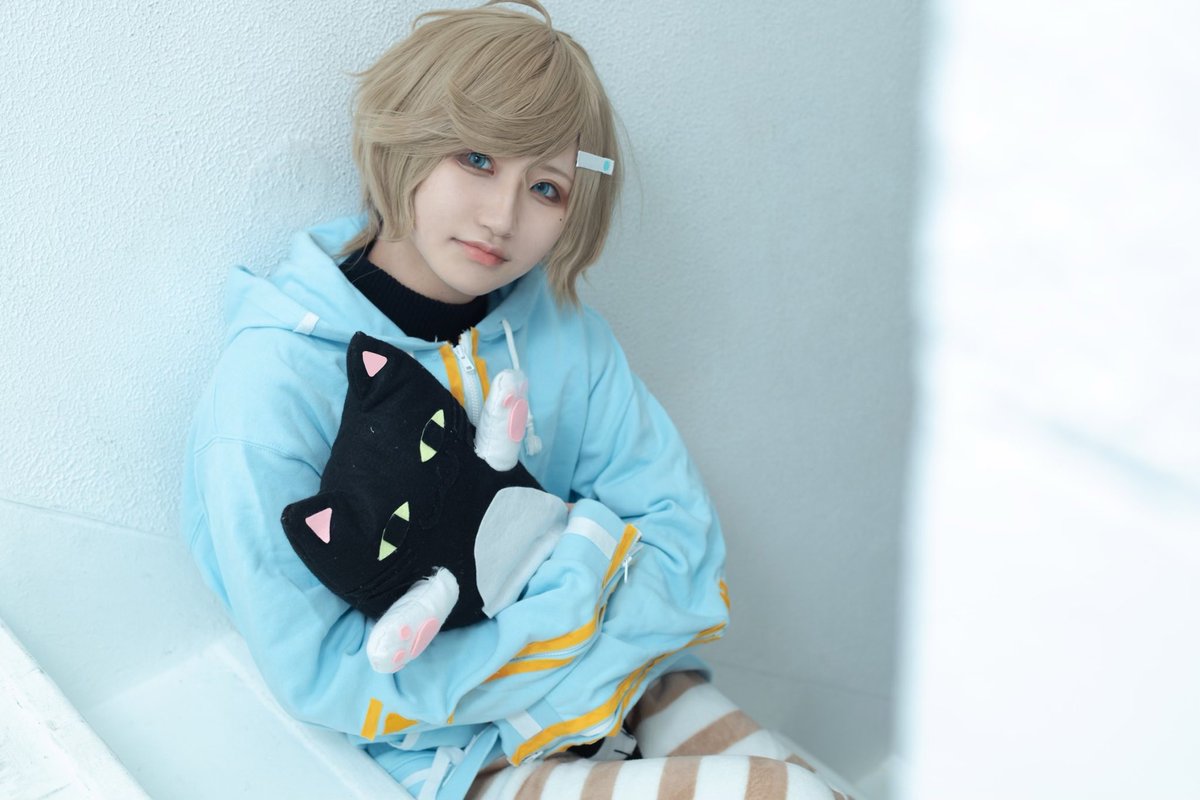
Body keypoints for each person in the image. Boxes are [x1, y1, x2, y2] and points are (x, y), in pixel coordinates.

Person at [181, 2, 853, 797]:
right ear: (405, 137)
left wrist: (579, 659)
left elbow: (682, 541)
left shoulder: (563, 334)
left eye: (545, 187)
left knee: (821, 788)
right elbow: (324, 673)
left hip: (622, 681)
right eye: (476, 158)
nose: (502, 217)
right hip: (454, 751)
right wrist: (571, 601)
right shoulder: (274, 385)